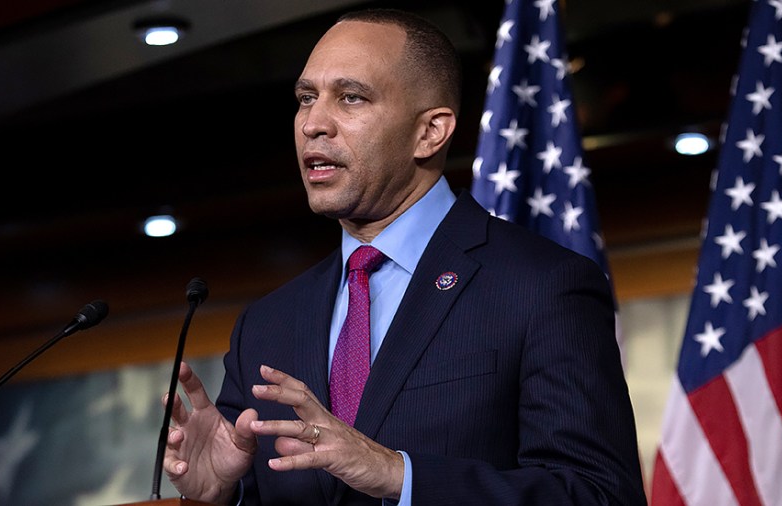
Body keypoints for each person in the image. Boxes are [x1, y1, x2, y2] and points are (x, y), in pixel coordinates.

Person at [162, 8, 647, 506]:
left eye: (350, 98)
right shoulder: (266, 325)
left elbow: (601, 495)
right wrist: (221, 495)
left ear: (430, 132)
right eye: (306, 98)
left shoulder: (541, 286)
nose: (313, 124)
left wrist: (398, 475)